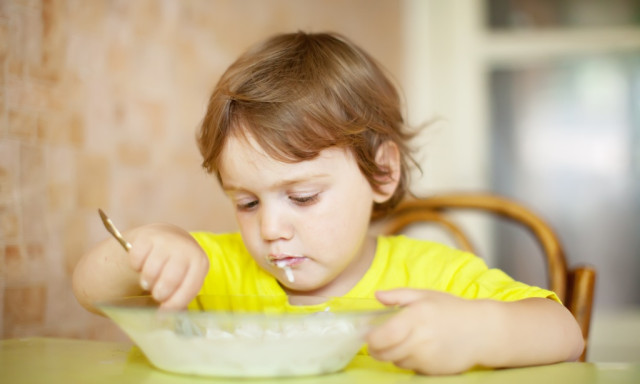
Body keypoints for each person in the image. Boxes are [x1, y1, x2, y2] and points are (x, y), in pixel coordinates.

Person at [73, 31, 584, 375]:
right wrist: (146, 248)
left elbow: (566, 334)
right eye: (247, 202)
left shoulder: (430, 274)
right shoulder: (212, 269)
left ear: (381, 173)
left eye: (303, 196)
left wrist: (478, 332)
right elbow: (90, 290)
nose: (271, 228)